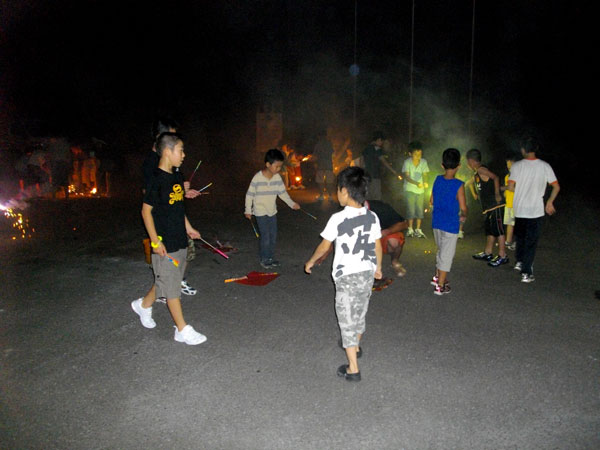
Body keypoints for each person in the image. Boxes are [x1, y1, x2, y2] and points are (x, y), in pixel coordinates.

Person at [305, 166, 382, 382]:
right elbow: (377, 245)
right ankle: (355, 347)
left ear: (345, 192)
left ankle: (353, 368)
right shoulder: (372, 217)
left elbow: (324, 246)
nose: (337, 193)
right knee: (359, 312)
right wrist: (378, 267)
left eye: (338, 189)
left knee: (346, 320)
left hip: (346, 276)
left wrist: (311, 261)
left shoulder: (338, 219)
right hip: (366, 273)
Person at [132, 132, 207, 345]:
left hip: (179, 238)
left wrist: (189, 228)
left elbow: (178, 208)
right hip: (164, 242)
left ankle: (143, 305)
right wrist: (155, 242)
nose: (183, 155)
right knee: (172, 288)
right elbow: (146, 212)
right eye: (180, 150)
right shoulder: (155, 180)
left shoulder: (176, 176)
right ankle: (182, 329)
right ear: (167, 151)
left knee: (167, 280)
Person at [142, 117, 200, 297]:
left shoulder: (173, 165)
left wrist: (183, 191)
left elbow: (173, 193)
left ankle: (170, 285)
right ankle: (165, 291)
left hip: (176, 219)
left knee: (184, 255)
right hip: (164, 225)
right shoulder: (153, 163)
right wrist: (155, 240)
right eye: (171, 135)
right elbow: (149, 201)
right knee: (168, 266)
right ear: (160, 137)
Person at [507, 136, 560, 283]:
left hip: (520, 208)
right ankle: (526, 272)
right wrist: (549, 202)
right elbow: (556, 186)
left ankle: (519, 262)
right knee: (531, 241)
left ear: (523, 150)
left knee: (520, 237)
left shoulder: (517, 166)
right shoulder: (545, 166)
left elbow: (511, 186)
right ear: (536, 149)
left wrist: (520, 189)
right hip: (535, 210)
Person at [245, 149, 300, 268]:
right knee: (265, 236)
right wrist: (248, 210)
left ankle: (270, 257)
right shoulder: (257, 178)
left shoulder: (277, 178)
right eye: (277, 166)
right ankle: (264, 259)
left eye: (280, 166)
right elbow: (250, 194)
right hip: (260, 212)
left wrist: (291, 204)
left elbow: (282, 193)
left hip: (272, 211)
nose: (278, 169)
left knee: (273, 236)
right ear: (268, 164)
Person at [430, 148, 467, 295]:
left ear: (442, 165)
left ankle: (437, 276)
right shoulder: (459, 184)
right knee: (446, 254)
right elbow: (463, 207)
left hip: (437, 221)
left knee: (441, 250)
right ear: (459, 166)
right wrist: (464, 215)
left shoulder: (437, 179)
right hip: (451, 224)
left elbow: (431, 200)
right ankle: (440, 285)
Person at [466, 148, 508, 267]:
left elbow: (495, 177)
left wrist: (497, 194)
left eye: (468, 161)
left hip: (495, 205)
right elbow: (469, 183)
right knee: (490, 230)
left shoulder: (481, 169)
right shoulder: (477, 173)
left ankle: (502, 255)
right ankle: (488, 252)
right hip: (488, 207)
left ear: (471, 161)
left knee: (498, 230)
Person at [366, 200, 408, 278]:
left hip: (381, 236)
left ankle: (395, 261)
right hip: (364, 239)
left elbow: (404, 224)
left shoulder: (381, 208)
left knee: (394, 242)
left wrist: (386, 232)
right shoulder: (348, 211)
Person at [402, 141, 430, 238]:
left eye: (420, 154)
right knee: (411, 209)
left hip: (420, 191)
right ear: (410, 154)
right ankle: (410, 229)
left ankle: (418, 229)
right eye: (416, 155)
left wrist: (425, 182)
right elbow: (407, 177)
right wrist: (416, 183)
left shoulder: (423, 162)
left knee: (419, 209)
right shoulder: (407, 162)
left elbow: (425, 174)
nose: (418, 157)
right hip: (409, 189)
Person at [362, 131, 398, 201]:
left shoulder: (366, 148)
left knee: (367, 197)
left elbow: (362, 161)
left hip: (366, 176)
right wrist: (394, 171)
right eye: (382, 142)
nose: (382, 144)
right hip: (375, 176)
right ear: (379, 140)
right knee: (376, 197)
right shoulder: (377, 149)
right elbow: (384, 161)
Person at [501, 154, 517, 250]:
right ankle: (508, 242)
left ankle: (519, 243)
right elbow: (508, 189)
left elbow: (518, 189)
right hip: (509, 203)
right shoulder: (507, 176)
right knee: (509, 223)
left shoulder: (518, 176)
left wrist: (506, 188)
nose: (508, 165)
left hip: (517, 203)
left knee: (519, 225)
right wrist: (505, 193)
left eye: (510, 163)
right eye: (507, 164)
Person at [312, 131, 335, 200]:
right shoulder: (329, 144)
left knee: (320, 180)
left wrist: (314, 162)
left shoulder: (318, 145)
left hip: (320, 165)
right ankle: (330, 196)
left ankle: (321, 195)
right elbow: (333, 154)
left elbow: (315, 155)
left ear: (319, 136)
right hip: (329, 165)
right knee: (329, 180)